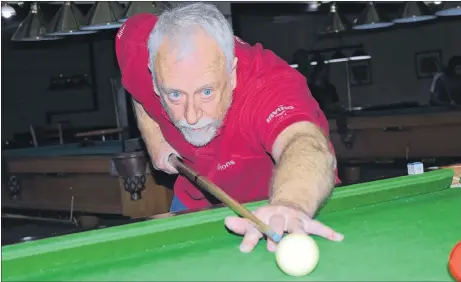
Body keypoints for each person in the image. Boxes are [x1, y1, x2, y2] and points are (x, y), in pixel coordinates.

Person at [115, 3, 343, 253]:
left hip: (277, 204)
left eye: (207, 91)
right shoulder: (141, 48)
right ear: (154, 78)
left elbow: (304, 143)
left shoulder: (266, 86)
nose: (191, 116)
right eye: (175, 95)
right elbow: (132, 79)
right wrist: (153, 136)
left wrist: (291, 202)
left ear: (232, 74)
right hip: (195, 198)